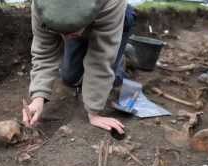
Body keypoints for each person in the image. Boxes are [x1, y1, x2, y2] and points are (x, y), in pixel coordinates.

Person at [22, 0, 136, 134]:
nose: (66, 37)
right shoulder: (41, 6)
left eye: (70, 32)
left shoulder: (111, 4)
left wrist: (94, 112)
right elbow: (44, 51)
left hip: (114, 17)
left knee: (113, 78)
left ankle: (121, 54)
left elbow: (100, 59)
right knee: (70, 77)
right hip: (77, 22)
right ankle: (86, 41)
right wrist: (38, 97)